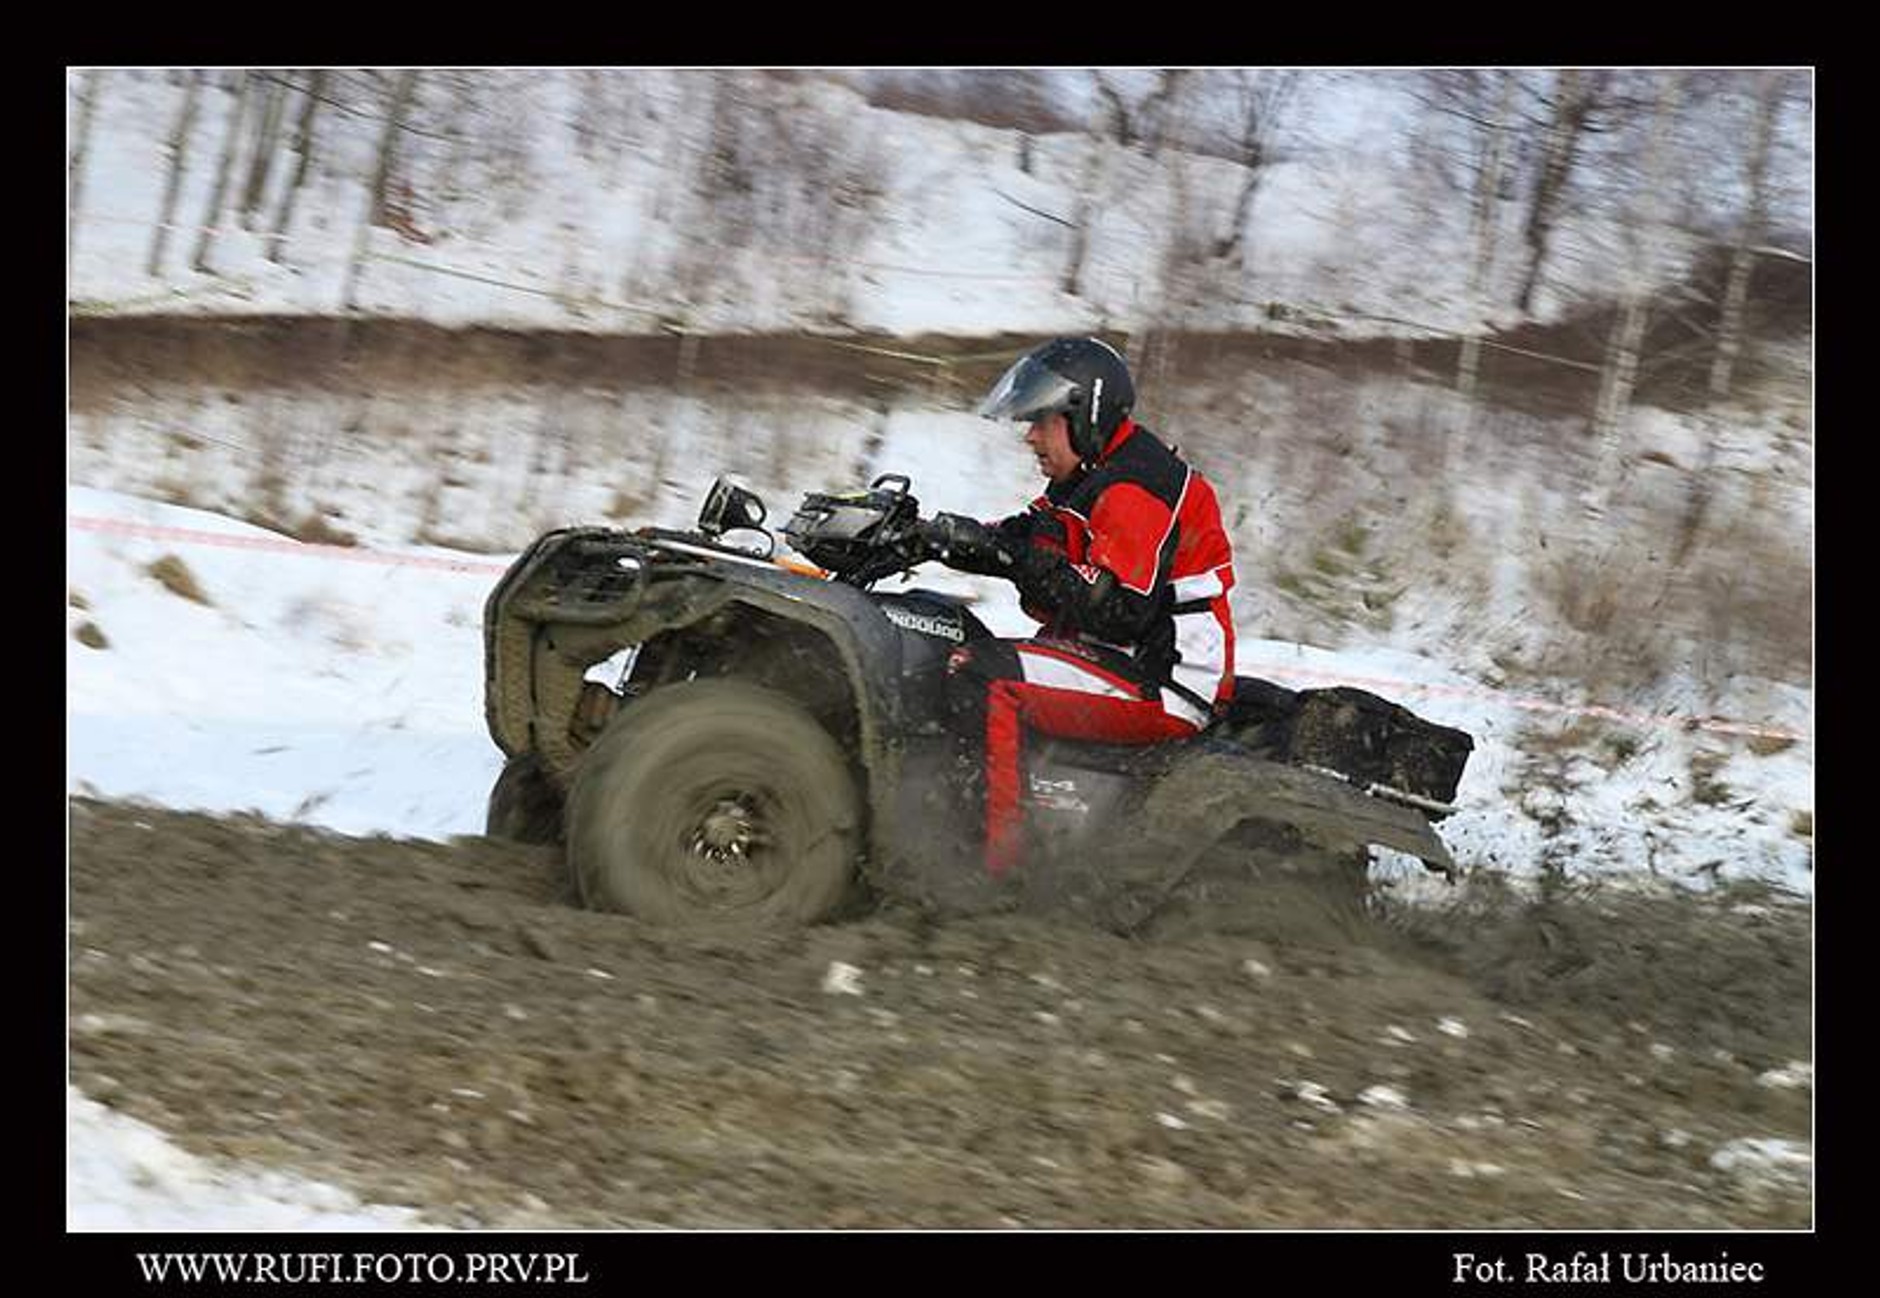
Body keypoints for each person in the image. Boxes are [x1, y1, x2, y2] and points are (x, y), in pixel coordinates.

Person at [917, 336, 1239, 876]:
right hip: (1121, 661)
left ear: (1084, 416)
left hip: (1164, 682)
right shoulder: (1090, 475)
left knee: (987, 676)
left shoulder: (1138, 485)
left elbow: (1117, 609)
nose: (1030, 436)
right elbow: (1026, 535)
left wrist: (1014, 556)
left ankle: (991, 868)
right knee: (951, 637)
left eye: (1042, 421)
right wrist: (930, 533)